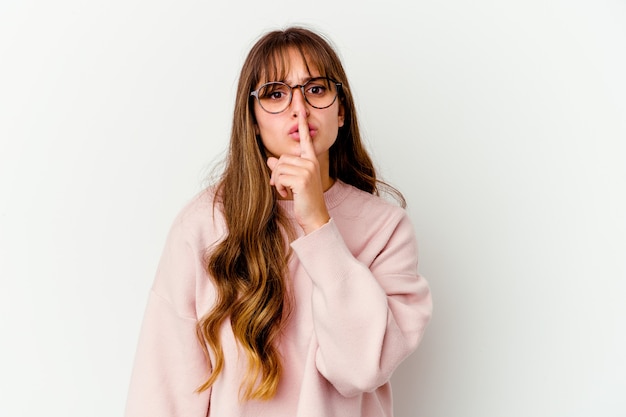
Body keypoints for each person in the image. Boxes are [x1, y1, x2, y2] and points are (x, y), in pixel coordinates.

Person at [125, 26, 432, 417]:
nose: (298, 108)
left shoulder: (387, 229)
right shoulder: (203, 225)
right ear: (252, 119)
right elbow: (162, 389)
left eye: (316, 89)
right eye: (275, 94)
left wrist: (318, 224)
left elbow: (358, 370)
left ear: (341, 111)